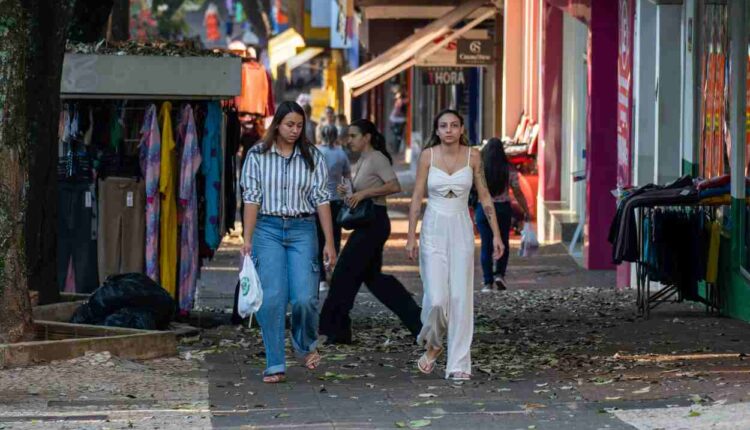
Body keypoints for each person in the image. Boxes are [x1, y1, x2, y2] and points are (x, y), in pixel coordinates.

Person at [240, 101, 337, 384]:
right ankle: (274, 362)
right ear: (277, 125)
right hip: (267, 229)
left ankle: (304, 344)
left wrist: (329, 242)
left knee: (305, 298)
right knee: (271, 299)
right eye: (289, 125)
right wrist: (246, 239)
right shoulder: (257, 155)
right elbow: (251, 198)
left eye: (299, 125)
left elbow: (322, 199)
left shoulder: (313, 157)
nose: (294, 130)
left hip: (302, 228)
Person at [406, 109, 504, 381]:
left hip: (461, 228)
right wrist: (411, 235)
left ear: (461, 129)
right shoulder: (428, 156)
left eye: (454, 125)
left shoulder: (474, 156)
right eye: (443, 126)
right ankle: (435, 344)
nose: (448, 130)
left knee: (461, 298)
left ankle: (459, 363)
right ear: (436, 130)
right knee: (437, 298)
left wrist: (495, 234)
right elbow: (416, 196)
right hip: (433, 229)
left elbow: (484, 196)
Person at [319, 119, 423, 344]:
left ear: (366, 137)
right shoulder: (364, 160)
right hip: (368, 222)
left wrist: (363, 194)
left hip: (374, 223)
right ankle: (418, 323)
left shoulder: (377, 158)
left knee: (344, 272)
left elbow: (394, 185)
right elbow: (360, 194)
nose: (349, 140)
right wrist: (348, 192)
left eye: (354, 136)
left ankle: (333, 327)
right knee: (373, 279)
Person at [476, 138, 530, 292]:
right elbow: (517, 192)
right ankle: (499, 274)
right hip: (503, 209)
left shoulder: (480, 169)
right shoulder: (509, 169)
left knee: (486, 245)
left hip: (483, 209)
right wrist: (525, 209)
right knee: (503, 242)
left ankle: (487, 282)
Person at [315, 124, 351, 291]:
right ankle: (332, 270)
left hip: (318, 202)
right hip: (336, 201)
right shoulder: (341, 153)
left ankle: (321, 278)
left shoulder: (316, 152)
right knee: (335, 237)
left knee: (319, 239)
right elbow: (347, 177)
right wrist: (348, 195)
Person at [388, 89, 407, 155]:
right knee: (405, 120)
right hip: (396, 118)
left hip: (395, 119)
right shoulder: (399, 101)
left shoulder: (398, 102)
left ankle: (396, 147)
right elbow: (398, 112)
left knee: (398, 135)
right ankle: (396, 148)